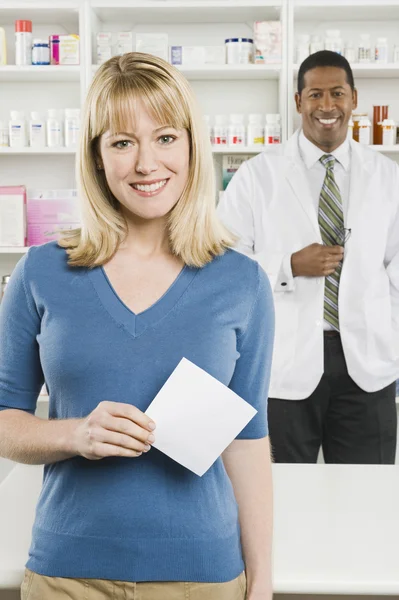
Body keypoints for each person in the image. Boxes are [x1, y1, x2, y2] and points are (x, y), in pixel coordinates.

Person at [0, 53, 274, 599]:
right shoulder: (41, 271)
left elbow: (246, 443)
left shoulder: (242, 282)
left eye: (166, 137)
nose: (147, 163)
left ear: (193, 145)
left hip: (203, 576)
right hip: (67, 575)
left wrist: (262, 584)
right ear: (98, 158)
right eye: (123, 143)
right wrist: (73, 434)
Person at [218, 50, 399, 465]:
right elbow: (223, 265)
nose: (327, 106)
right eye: (315, 94)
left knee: (364, 499)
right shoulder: (256, 177)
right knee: (279, 495)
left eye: (337, 93)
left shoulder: (387, 176)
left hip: (367, 365)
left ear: (354, 98)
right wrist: (288, 266)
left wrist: (389, 334)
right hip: (283, 362)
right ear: (298, 101)